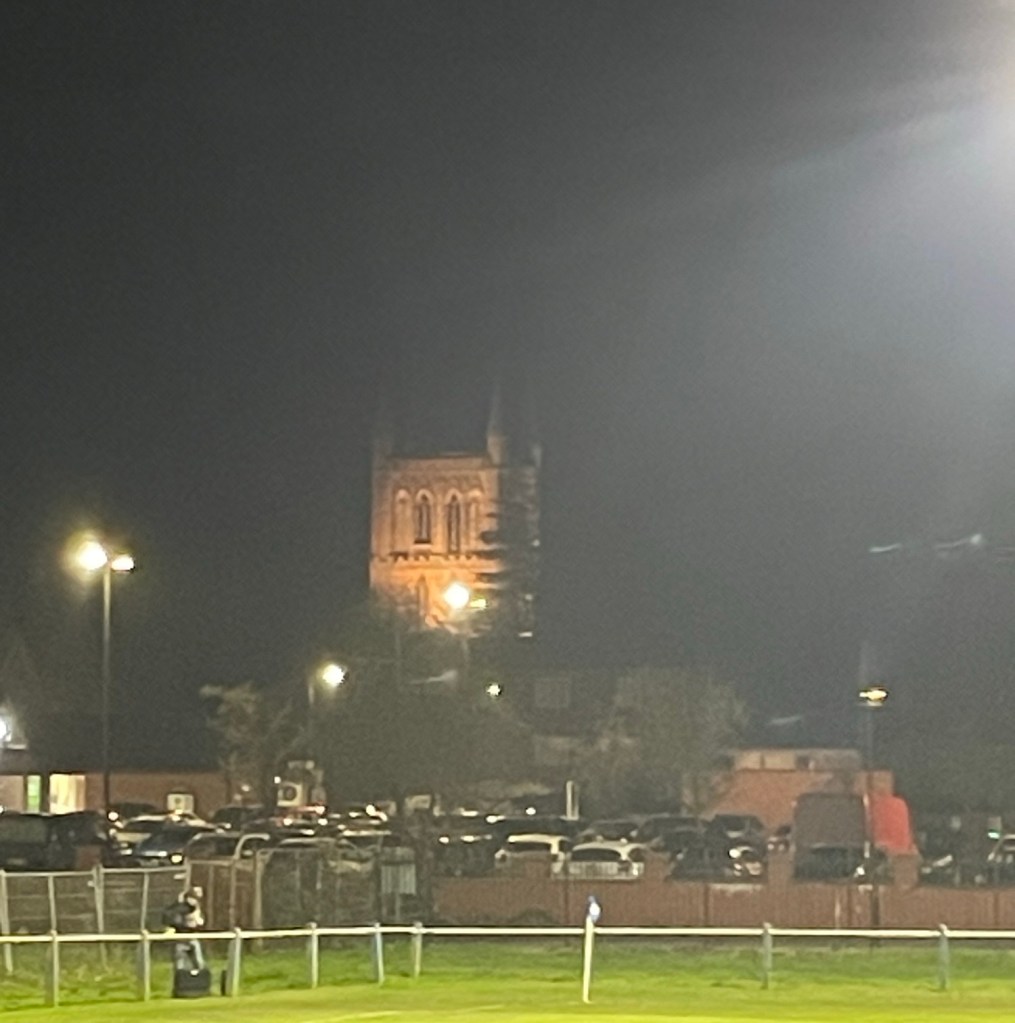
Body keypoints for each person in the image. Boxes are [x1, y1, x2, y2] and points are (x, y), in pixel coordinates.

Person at [163, 886, 206, 971]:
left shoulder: (196, 908)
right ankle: (181, 977)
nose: (194, 901)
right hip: (181, 940)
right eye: (192, 898)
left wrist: (196, 920)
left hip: (192, 938)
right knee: (180, 965)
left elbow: (200, 922)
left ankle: (197, 976)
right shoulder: (179, 908)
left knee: (199, 964)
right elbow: (173, 919)